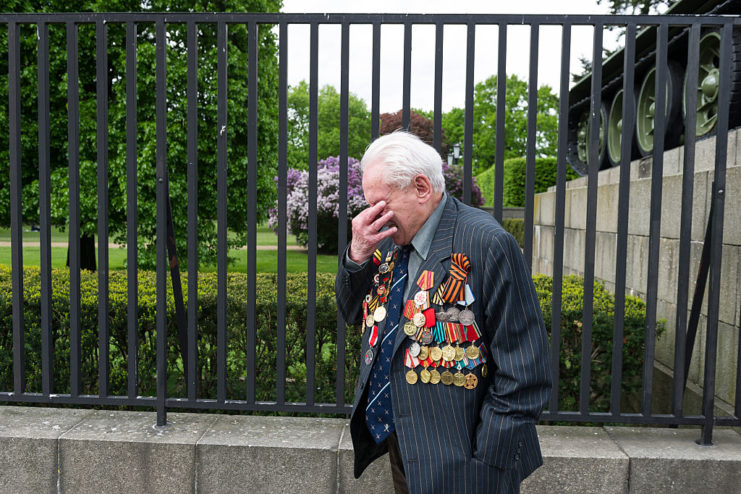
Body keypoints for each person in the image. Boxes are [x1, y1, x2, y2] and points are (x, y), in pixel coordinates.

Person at [335, 131, 552, 493]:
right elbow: (352, 311)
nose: (371, 216)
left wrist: (486, 466)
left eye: (380, 203)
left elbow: (525, 373)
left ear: (421, 188)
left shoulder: (487, 243)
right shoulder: (387, 240)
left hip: (463, 458)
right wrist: (357, 252)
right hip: (401, 440)